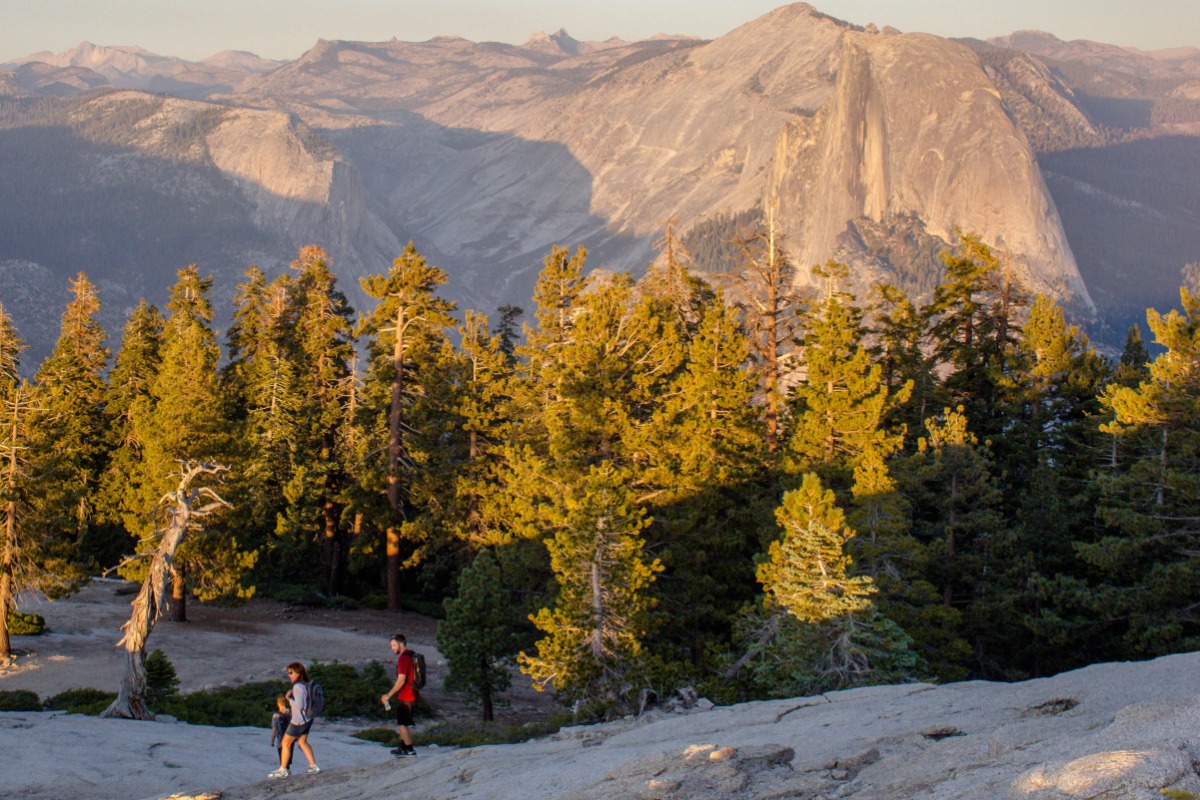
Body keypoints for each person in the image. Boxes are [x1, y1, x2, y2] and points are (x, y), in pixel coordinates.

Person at [268, 662, 321, 778]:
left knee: (285, 743)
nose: (289, 675)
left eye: (291, 672)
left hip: (298, 721)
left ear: (299, 672)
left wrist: (288, 699)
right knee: (302, 742)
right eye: (288, 673)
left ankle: (283, 770)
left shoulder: (297, 687)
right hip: (308, 719)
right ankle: (313, 766)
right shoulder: (306, 684)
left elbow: (300, 705)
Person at [381, 633, 417, 757]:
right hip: (411, 693)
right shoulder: (411, 655)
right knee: (402, 721)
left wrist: (388, 695)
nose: (392, 648)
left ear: (401, 644)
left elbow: (401, 680)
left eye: (394, 645)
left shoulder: (403, 659)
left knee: (403, 723)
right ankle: (403, 746)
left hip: (407, 694)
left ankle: (409, 749)